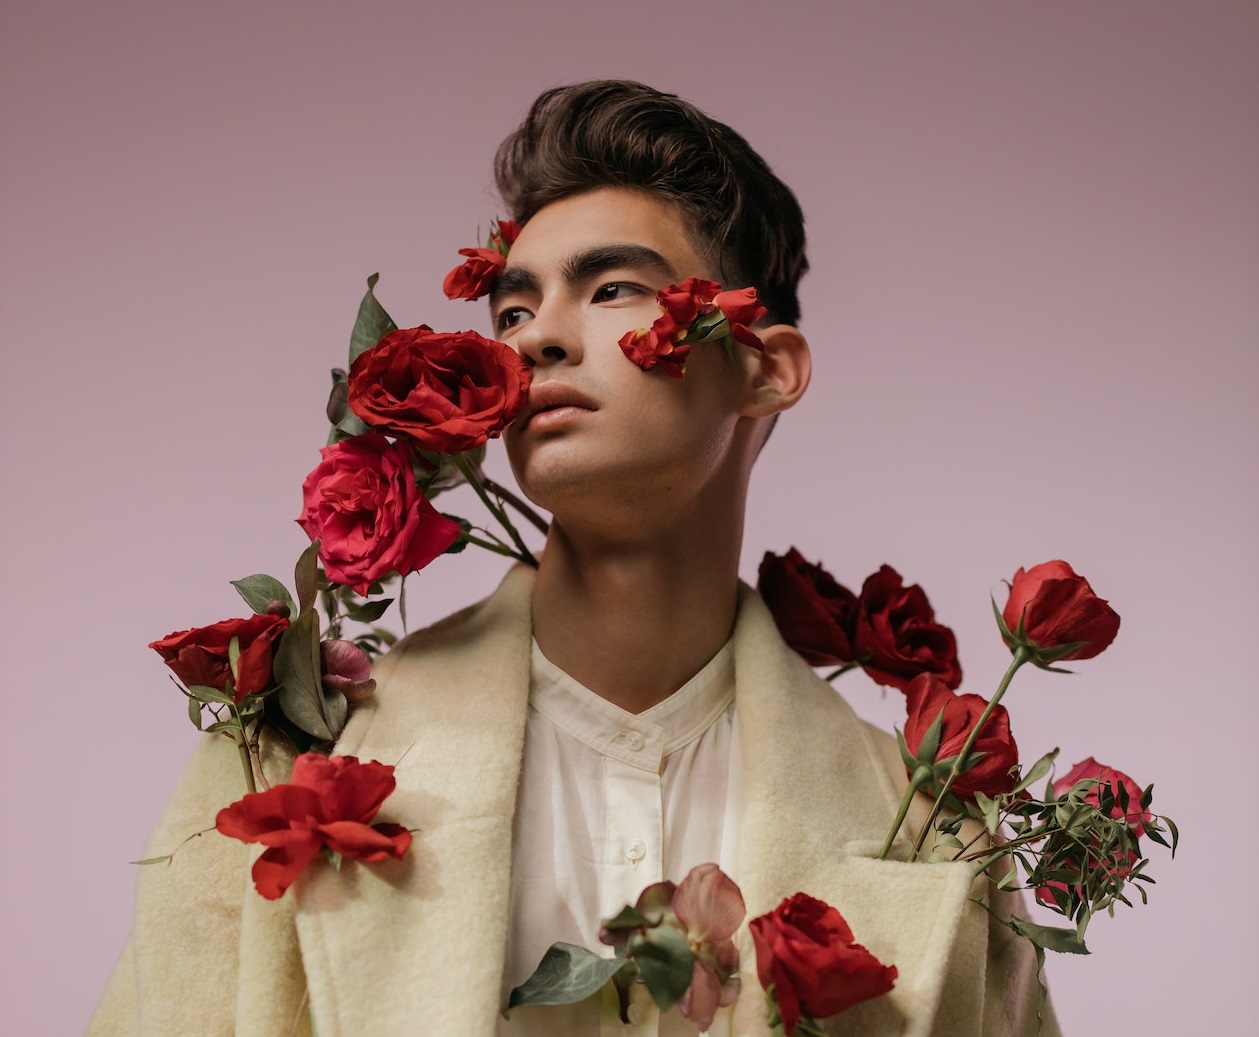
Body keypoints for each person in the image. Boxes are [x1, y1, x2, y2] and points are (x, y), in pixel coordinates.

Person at [90, 80, 1056, 1037]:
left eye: (610, 289)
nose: (539, 337)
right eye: (512, 310)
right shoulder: (286, 752)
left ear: (765, 369)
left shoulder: (927, 830)